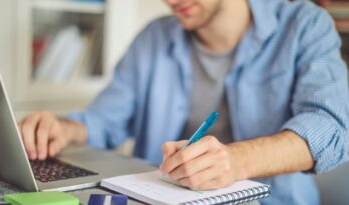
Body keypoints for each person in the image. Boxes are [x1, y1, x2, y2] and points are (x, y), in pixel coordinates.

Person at [18, 0, 349, 204]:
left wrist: (236, 160)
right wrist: (63, 128)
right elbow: (106, 119)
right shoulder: (153, 38)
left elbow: (330, 128)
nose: (172, 1)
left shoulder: (305, 25)